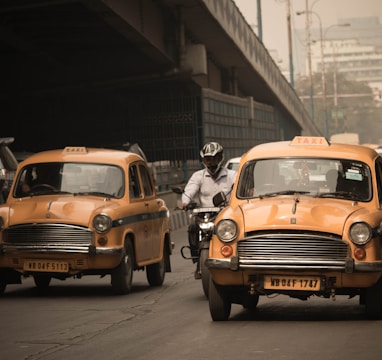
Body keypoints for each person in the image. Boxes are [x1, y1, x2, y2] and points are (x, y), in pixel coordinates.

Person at [181, 142, 237, 279]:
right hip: (204, 215)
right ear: (203, 160)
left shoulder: (232, 175)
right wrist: (185, 202)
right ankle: (197, 259)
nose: (211, 162)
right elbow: (189, 191)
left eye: (214, 158)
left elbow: (238, 188)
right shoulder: (198, 176)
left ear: (220, 158)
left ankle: (235, 257)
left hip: (225, 215)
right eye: (208, 159)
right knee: (193, 227)